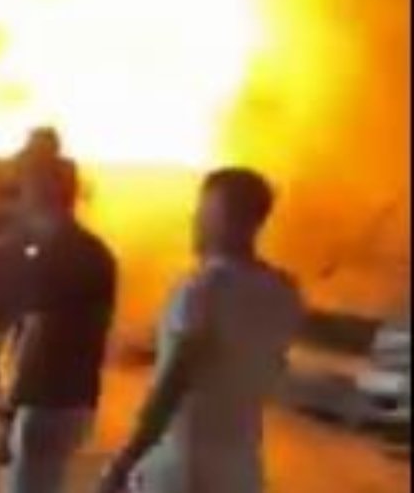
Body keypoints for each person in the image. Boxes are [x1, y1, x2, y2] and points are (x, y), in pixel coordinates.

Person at [95, 168, 304, 493]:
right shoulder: (284, 291)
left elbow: (174, 383)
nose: (195, 221)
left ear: (223, 217)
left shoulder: (203, 288)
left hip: (181, 468)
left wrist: (125, 460)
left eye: (204, 211)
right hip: (241, 471)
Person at [0, 157, 118, 493]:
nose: (21, 202)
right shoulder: (96, 252)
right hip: (79, 398)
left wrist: (10, 402)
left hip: (43, 399)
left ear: (41, 194)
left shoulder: (55, 254)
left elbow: (38, 330)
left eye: (26, 191)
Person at [0, 126, 84, 462]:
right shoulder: (9, 176)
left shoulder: (57, 179)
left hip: (33, 283)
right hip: (4, 280)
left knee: (23, 356)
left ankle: (8, 429)